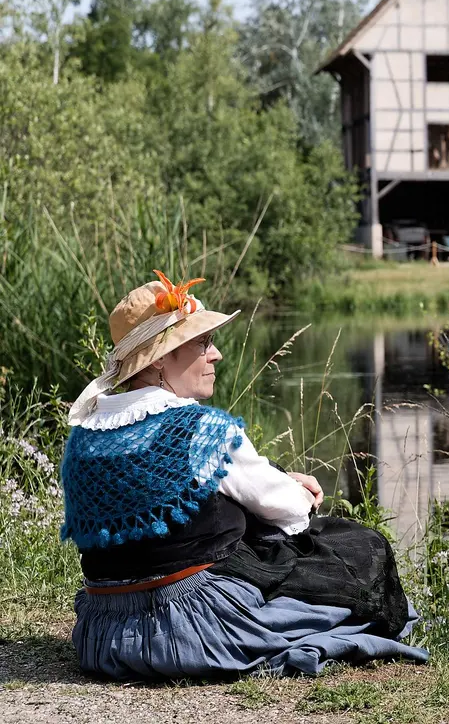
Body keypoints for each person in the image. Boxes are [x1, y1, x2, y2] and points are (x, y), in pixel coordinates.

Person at [60, 271, 428, 680]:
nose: (215, 355)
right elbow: (285, 508)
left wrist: (276, 481)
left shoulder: (85, 436)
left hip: (105, 634)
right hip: (194, 631)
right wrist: (300, 492)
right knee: (357, 545)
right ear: (161, 359)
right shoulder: (197, 427)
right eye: (202, 344)